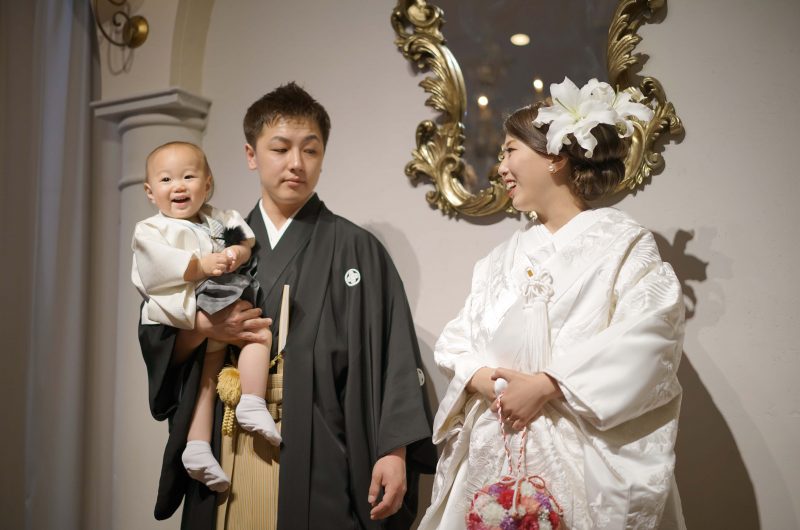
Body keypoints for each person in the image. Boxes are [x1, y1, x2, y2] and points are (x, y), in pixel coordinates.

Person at [138, 82, 436, 530]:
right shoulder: (213, 242)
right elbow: (161, 342)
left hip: (321, 446)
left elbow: (393, 357)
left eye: (310, 150)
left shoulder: (357, 249)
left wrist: (394, 452)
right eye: (280, 149)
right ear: (251, 154)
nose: (296, 163)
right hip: (225, 437)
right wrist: (205, 329)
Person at [419, 78, 686, 529]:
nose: (500, 167)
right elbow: (458, 339)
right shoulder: (497, 261)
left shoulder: (623, 245)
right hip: (494, 444)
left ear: (556, 157)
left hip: (576, 453)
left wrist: (549, 384)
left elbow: (651, 334)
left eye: (509, 151)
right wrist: (482, 379)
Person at [132, 142, 282, 494]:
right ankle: (248, 406)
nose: (179, 186)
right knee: (256, 335)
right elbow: (158, 268)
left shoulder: (218, 218)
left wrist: (236, 253)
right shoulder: (151, 229)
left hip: (217, 294)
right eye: (166, 179)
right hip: (184, 301)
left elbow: (245, 241)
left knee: (210, 369)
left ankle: (202, 443)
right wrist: (201, 264)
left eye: (188, 176)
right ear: (150, 192)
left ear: (208, 183)